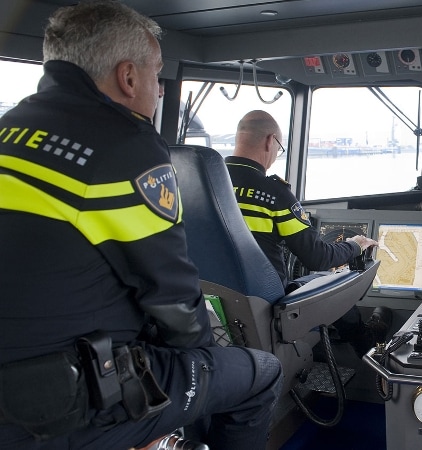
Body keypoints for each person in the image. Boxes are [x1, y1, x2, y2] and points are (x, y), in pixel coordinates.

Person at [0, 2, 282, 450]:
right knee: (261, 373)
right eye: (157, 76)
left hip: (24, 387)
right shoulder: (124, 144)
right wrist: (207, 356)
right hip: (73, 405)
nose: (159, 90)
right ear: (128, 78)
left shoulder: (10, 131)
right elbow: (175, 307)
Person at [225, 110, 393, 356]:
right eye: (279, 148)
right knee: (335, 282)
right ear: (270, 141)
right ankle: (367, 345)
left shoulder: (205, 186)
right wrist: (355, 245)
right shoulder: (273, 194)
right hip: (266, 308)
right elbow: (318, 258)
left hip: (214, 306)